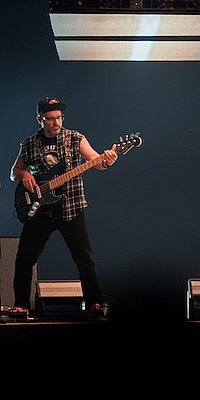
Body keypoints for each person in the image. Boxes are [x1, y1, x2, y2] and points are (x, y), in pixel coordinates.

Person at [10, 96, 118, 319]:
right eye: (50, 119)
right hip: (40, 209)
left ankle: (95, 304)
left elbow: (96, 162)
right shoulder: (29, 143)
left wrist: (107, 160)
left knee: (84, 259)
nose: (56, 122)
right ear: (39, 119)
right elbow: (14, 173)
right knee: (24, 259)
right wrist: (24, 174)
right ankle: (21, 305)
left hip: (72, 207)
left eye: (59, 117)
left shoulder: (75, 138)